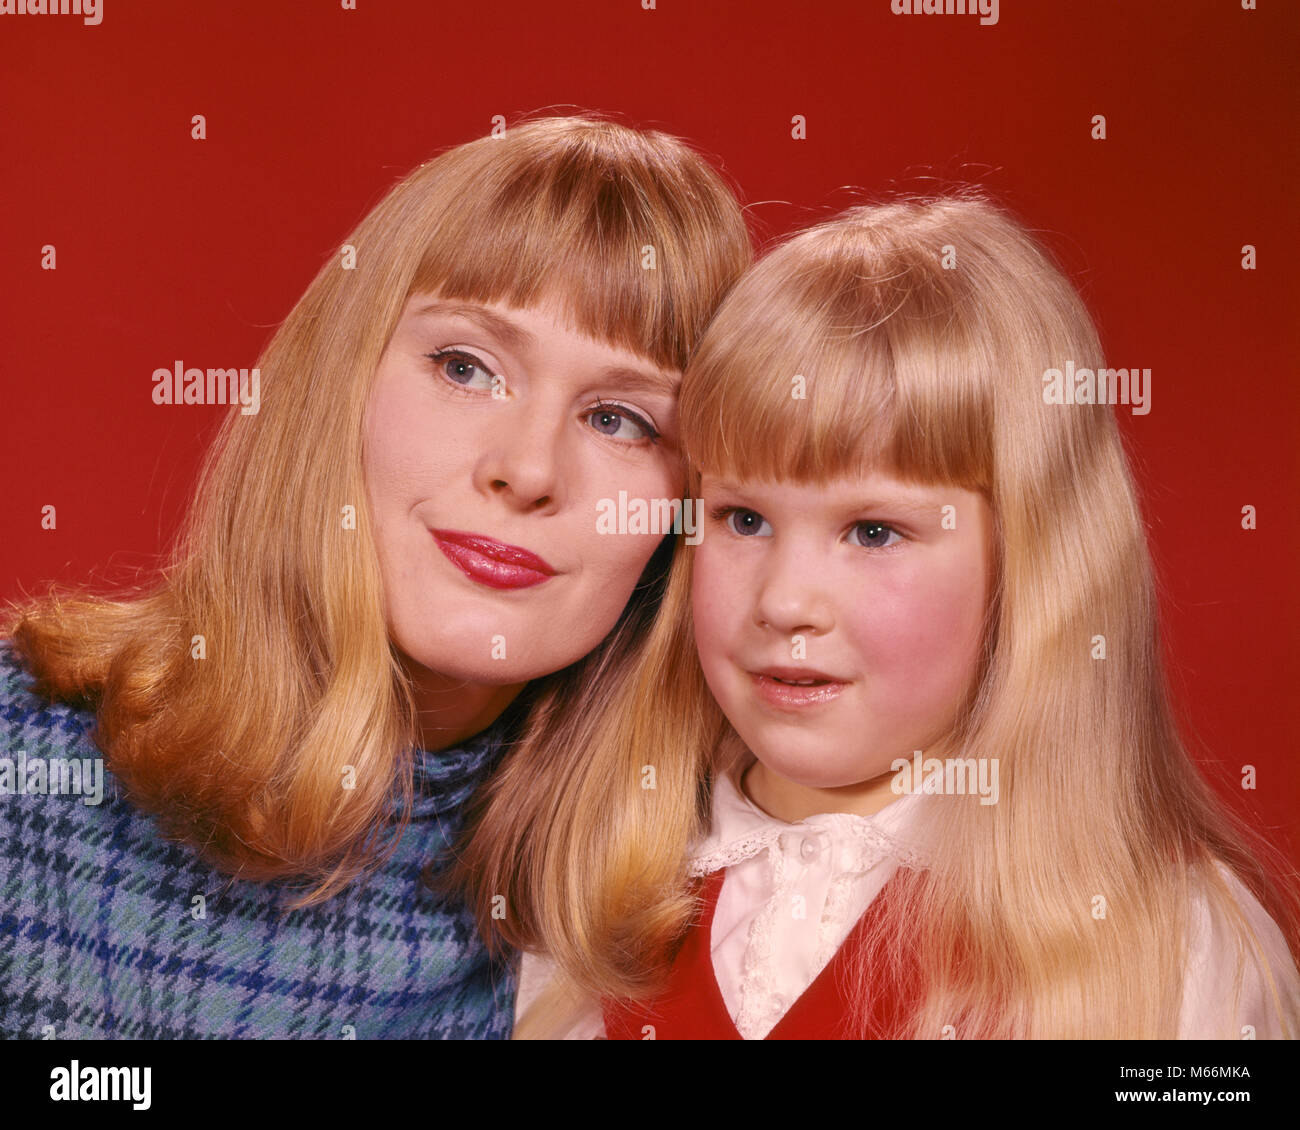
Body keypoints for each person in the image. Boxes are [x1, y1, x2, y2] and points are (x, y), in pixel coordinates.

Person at [0, 113, 752, 1038]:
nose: (528, 469)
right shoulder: (25, 764)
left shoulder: (690, 889)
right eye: (466, 366)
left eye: (621, 421)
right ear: (337, 385)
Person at [484, 194, 1300, 1039]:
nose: (785, 601)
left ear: (1031, 561)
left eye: (874, 532)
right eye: (743, 519)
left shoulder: (1176, 948)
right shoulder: (597, 906)